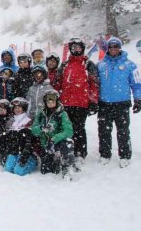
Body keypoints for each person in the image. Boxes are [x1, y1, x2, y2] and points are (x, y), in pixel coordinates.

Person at [96, 37, 141, 168]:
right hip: (104, 103)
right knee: (104, 131)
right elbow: (94, 84)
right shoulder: (101, 65)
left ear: (120, 48)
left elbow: (137, 84)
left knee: (123, 131)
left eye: (116, 46)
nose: (114, 49)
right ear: (108, 48)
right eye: (111, 47)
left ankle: (125, 155)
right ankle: (105, 154)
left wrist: (138, 99)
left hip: (122, 103)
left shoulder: (130, 64)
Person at [54, 37, 99, 166]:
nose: (76, 49)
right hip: (66, 103)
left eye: (78, 47)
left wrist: (93, 101)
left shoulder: (88, 64)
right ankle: (67, 150)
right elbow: (58, 83)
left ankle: (80, 153)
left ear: (82, 49)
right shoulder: (65, 64)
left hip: (81, 103)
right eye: (73, 47)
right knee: (66, 128)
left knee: (79, 128)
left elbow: (94, 84)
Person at [31, 90, 76, 179]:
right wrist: (41, 128)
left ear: (57, 101)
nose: (50, 104)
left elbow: (68, 131)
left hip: (57, 143)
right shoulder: (41, 114)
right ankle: (55, 160)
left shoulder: (62, 114)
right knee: (46, 171)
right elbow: (33, 129)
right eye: (48, 102)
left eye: (53, 102)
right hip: (46, 145)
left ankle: (67, 167)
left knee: (68, 142)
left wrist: (54, 139)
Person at [3, 98, 38, 177]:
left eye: (19, 107)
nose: (17, 109)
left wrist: (25, 154)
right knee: (7, 170)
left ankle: (33, 162)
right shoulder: (11, 121)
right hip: (14, 152)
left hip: (26, 153)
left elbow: (30, 142)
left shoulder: (28, 121)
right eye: (15, 107)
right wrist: (7, 153)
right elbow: (9, 140)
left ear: (24, 108)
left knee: (18, 171)